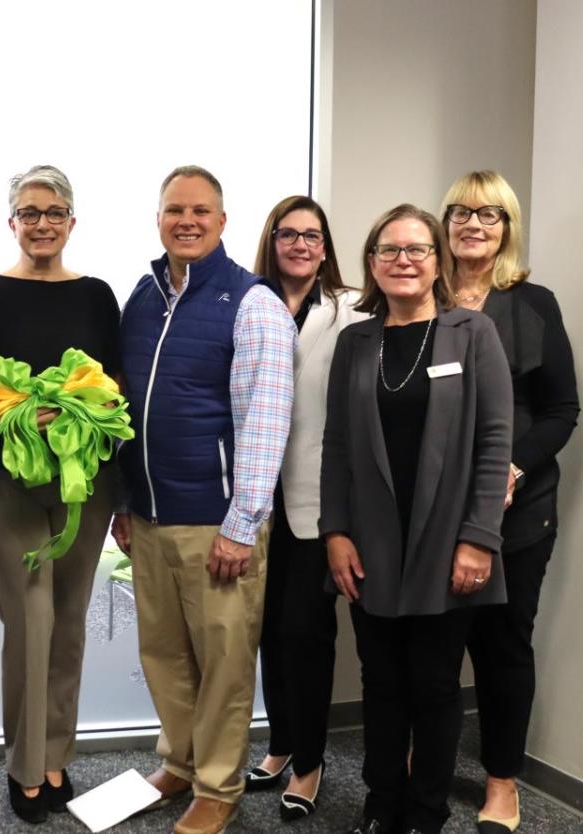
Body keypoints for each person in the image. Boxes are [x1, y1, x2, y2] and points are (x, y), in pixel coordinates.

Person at [112, 166, 296, 834]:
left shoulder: (254, 304)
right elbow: (126, 408)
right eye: (173, 210)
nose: (185, 221)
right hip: (151, 517)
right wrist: (124, 501)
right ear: (158, 218)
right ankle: (182, 764)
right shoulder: (144, 293)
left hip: (217, 523)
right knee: (164, 655)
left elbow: (265, 421)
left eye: (199, 211)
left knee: (222, 660)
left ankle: (218, 786)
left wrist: (241, 524)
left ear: (223, 221)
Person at [321, 204, 513, 834]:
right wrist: (335, 532)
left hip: (447, 540)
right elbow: (338, 447)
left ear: (437, 261)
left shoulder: (472, 334)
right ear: (372, 265)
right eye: (390, 251)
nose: (404, 261)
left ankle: (426, 809)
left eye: (418, 250)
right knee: (381, 683)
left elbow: (494, 441)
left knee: (434, 685)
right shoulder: (356, 342)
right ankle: (383, 800)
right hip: (371, 540)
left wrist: (479, 539)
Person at [0, 165, 121, 824]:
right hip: (7, 479)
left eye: (54, 212)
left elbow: (118, 386)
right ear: (12, 222)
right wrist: (20, 413)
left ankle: (55, 754)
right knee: (30, 619)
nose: (42, 222)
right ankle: (24, 768)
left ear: (71, 222)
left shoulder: (98, 296)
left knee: (70, 619)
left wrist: (80, 413)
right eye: (29, 211)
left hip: (85, 481)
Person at [441, 171, 579, 834]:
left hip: (516, 512)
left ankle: (500, 781)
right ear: (444, 223)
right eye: (462, 212)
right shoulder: (419, 296)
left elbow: (561, 410)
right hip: (431, 511)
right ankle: (426, 763)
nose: (474, 224)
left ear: (508, 227)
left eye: (490, 215)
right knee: (430, 643)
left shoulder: (534, 303)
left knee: (502, 646)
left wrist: (513, 466)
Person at [244, 196, 367, 820]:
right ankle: (281, 742)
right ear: (272, 240)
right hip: (251, 497)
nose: (299, 244)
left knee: (306, 633)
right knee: (265, 631)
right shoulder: (247, 302)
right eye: (287, 233)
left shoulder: (351, 309)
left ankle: (312, 762)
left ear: (325, 245)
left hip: (319, 501)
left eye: (311, 235)